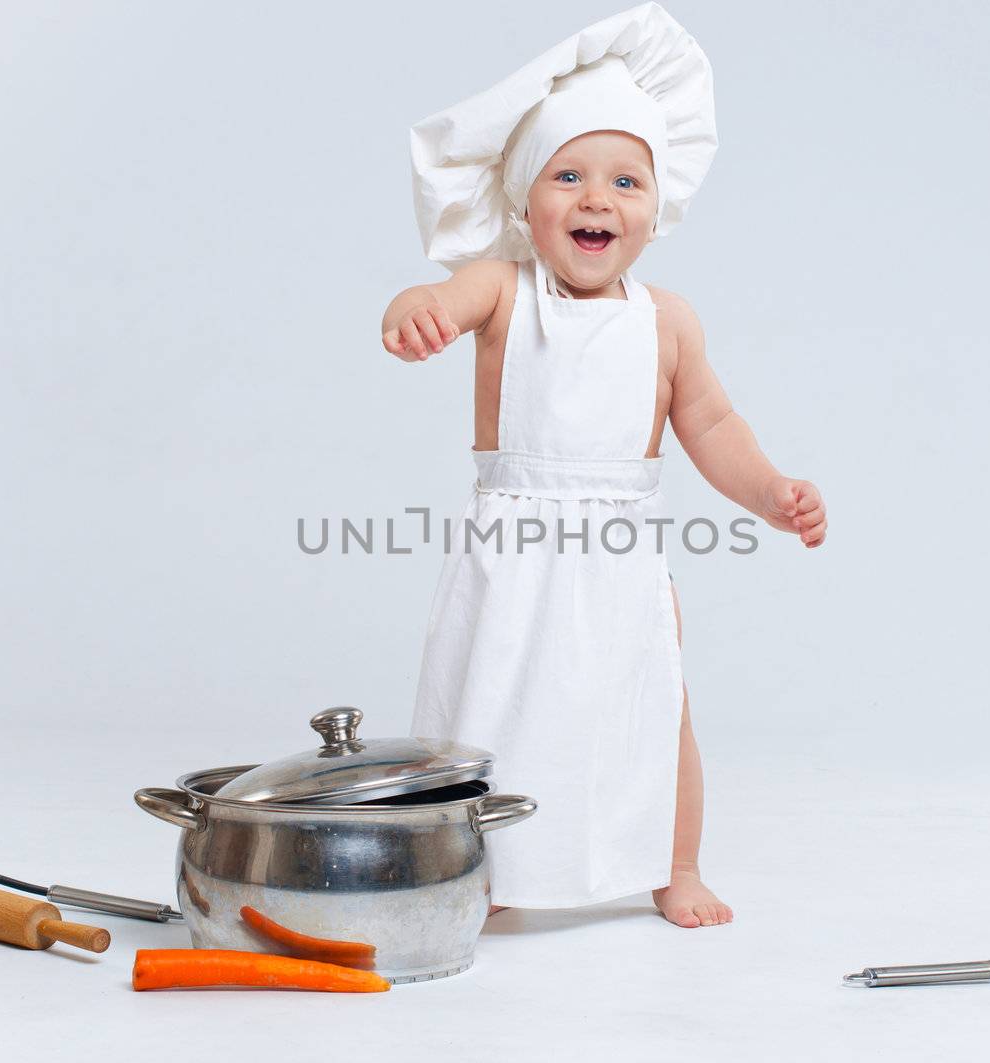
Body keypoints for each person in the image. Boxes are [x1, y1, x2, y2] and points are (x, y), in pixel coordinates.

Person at [381, 3, 826, 928]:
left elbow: (710, 423)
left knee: (654, 705)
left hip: (620, 553)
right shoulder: (501, 289)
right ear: (524, 201)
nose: (597, 198)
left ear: (655, 208)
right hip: (515, 547)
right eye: (569, 174)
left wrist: (770, 492)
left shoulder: (666, 319)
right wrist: (417, 307)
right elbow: (441, 298)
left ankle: (677, 864)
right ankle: (485, 870)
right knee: (490, 705)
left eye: (626, 180)